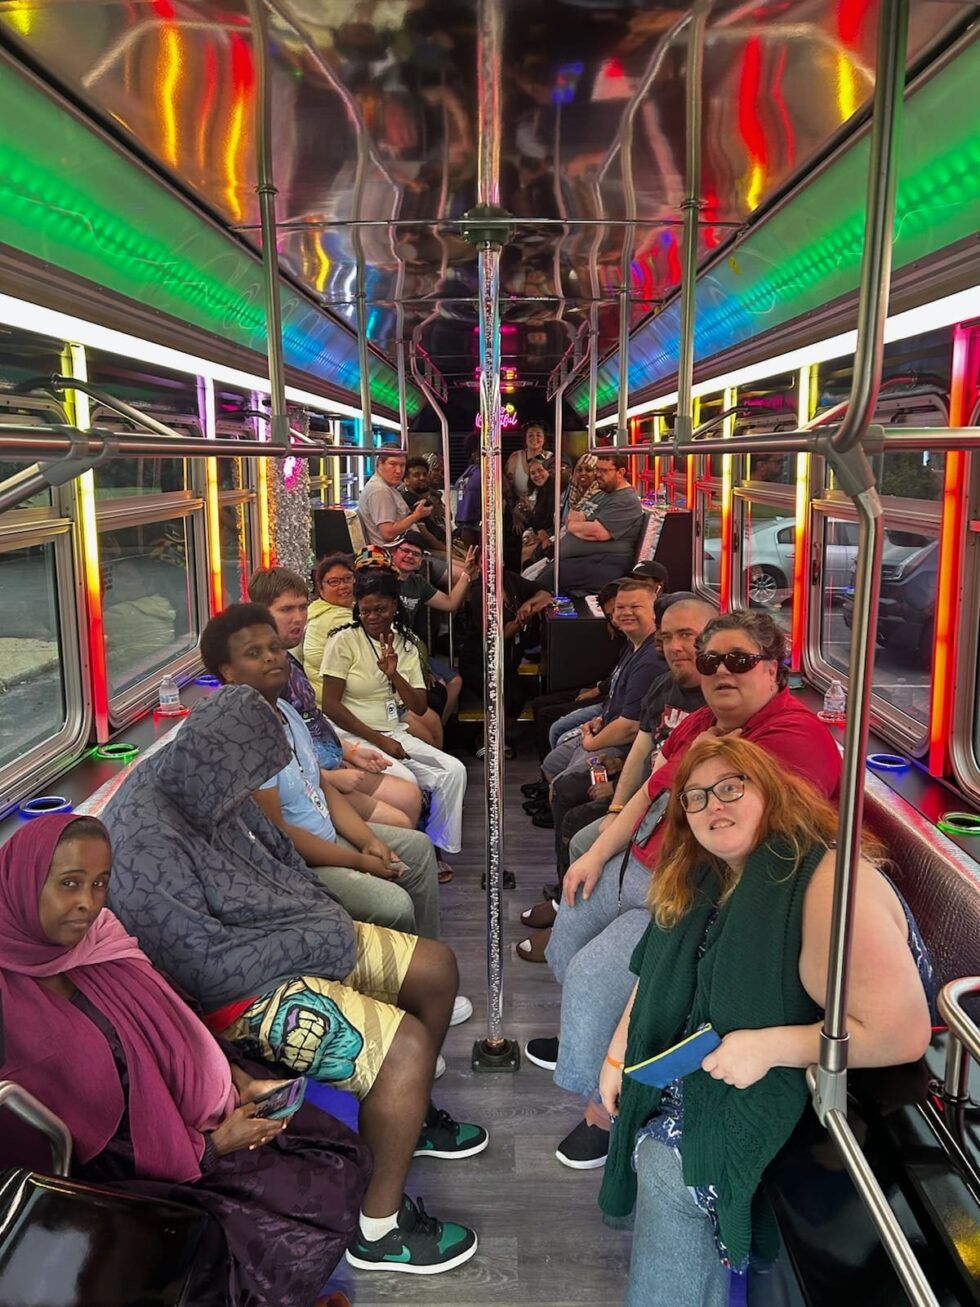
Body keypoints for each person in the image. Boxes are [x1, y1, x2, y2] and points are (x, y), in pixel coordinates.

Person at [101, 686, 487, 1276]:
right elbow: (197, 969)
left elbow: (278, 856)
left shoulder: (215, 780)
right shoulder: (143, 840)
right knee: (402, 1049)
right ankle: (379, 1231)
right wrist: (318, 935)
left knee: (435, 969)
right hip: (228, 996)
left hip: (280, 937)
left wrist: (316, 913)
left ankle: (414, 1116)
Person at [599, 735, 934, 1306]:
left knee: (666, 1164)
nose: (713, 806)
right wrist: (616, 1053)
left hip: (832, 1081)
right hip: (730, 1050)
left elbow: (900, 1032)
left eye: (732, 787)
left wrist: (770, 1046)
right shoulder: (705, 874)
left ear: (773, 793)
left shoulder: (827, 884)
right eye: (697, 797)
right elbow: (653, 972)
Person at [0, 813, 373, 1306]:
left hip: (195, 1100)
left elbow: (178, 1019)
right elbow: (82, 1136)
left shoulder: (99, 943)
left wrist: (239, 1080)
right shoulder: (12, 1007)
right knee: (261, 1221)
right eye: (69, 884)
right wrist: (213, 1146)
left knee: (337, 1151)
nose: (88, 903)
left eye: (99, 883)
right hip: (130, 1168)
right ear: (24, 884)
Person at [537, 610, 844, 1170]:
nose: (721, 672)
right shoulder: (704, 722)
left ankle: (604, 1112)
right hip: (635, 860)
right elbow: (651, 792)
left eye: (740, 660)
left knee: (592, 977)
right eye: (710, 661)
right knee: (566, 942)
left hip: (686, 887)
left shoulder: (793, 739)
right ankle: (585, 1036)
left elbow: (740, 853)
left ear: (774, 670)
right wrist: (598, 854)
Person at [200, 603, 441, 941]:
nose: (271, 657)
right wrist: (358, 861)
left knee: (417, 850)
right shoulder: (244, 736)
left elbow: (322, 791)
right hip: (295, 863)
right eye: (253, 653)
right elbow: (278, 837)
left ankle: (426, 955)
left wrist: (369, 841)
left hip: (324, 832)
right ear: (228, 671)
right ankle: (401, 981)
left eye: (274, 647)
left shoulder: (284, 709)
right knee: (394, 903)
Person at [519, 595, 713, 951]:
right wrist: (616, 806)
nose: (675, 647)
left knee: (579, 832)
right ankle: (571, 905)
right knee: (568, 789)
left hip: (673, 808)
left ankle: (578, 915)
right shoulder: (663, 684)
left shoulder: (715, 698)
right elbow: (642, 749)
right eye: (667, 637)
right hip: (643, 788)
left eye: (688, 636)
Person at [249, 566, 422, 829]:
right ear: (261, 613)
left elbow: (313, 722)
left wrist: (351, 751)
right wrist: (327, 777)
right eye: (286, 610)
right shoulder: (264, 677)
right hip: (315, 779)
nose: (298, 618)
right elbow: (278, 757)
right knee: (400, 814)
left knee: (410, 794)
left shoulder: (290, 663)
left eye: (302, 607)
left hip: (332, 757)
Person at [321, 569, 469, 858]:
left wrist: (395, 674)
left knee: (454, 772)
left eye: (381, 609)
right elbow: (331, 706)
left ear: (395, 606)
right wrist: (380, 739)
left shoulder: (406, 644)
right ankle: (413, 848)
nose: (373, 617)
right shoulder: (343, 640)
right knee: (408, 781)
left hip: (393, 730)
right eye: (365, 611)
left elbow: (419, 707)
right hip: (354, 735)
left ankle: (438, 846)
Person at [389, 532, 478, 724]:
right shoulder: (384, 579)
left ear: (421, 561)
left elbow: (450, 603)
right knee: (441, 686)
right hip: (392, 649)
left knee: (455, 682)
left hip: (412, 647)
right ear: (394, 553)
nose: (410, 556)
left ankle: (441, 731)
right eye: (405, 550)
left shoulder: (418, 583)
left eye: (416, 554)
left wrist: (466, 575)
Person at [531, 452, 645, 595]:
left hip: (601, 563)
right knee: (530, 576)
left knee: (539, 586)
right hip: (578, 559)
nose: (598, 474)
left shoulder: (626, 499)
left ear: (620, 472)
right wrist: (577, 522)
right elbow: (573, 514)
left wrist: (572, 525)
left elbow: (597, 533)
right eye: (597, 469)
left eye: (604, 471)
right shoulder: (602, 492)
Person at [303, 554, 361, 695]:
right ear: (321, 588)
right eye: (334, 582)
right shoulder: (336, 617)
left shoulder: (319, 608)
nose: (343, 586)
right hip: (335, 702)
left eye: (348, 578)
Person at [357, 451, 436, 549]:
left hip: (409, 548)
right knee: (454, 563)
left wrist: (414, 512)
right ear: (380, 463)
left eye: (402, 465)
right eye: (392, 464)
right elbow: (388, 533)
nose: (399, 471)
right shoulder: (380, 491)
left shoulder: (388, 488)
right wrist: (417, 515)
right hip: (398, 554)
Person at [505, 422, 552, 503]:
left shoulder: (551, 457)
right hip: (520, 509)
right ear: (525, 439)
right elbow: (507, 485)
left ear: (544, 439)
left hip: (545, 507)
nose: (534, 438)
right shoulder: (515, 457)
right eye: (530, 435)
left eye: (538, 435)